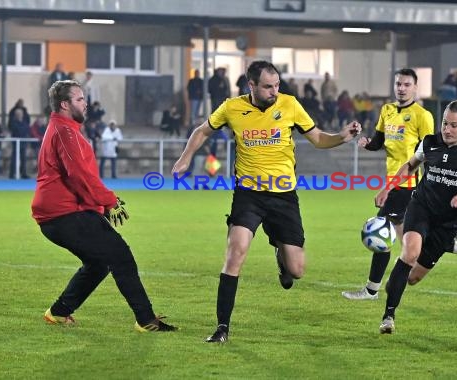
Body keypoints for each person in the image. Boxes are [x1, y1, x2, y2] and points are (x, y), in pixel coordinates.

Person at [171, 60, 361, 343]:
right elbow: (202, 131)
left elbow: (318, 138)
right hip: (248, 195)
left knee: (296, 270)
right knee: (235, 253)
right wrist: (184, 157)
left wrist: (342, 137)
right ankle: (222, 327)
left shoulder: (290, 105)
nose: (274, 91)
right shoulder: (232, 107)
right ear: (252, 86)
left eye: (277, 85)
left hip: (284, 197)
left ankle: (281, 257)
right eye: (268, 86)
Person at [32, 80, 176, 332]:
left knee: (100, 262)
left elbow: (78, 178)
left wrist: (101, 206)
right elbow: (79, 176)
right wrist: (109, 201)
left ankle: (59, 312)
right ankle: (146, 319)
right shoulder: (65, 132)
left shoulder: (63, 128)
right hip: (63, 213)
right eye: (79, 99)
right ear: (65, 104)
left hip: (63, 213)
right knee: (121, 255)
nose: (85, 103)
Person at [377, 100, 457, 334]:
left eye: (453, 125)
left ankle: (396, 283)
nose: (447, 130)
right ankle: (388, 316)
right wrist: (388, 188)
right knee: (409, 252)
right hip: (421, 208)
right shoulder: (429, 142)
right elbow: (409, 167)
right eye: (444, 123)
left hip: (448, 222)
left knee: (412, 278)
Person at [342, 68, 434, 301]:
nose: (401, 88)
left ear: (415, 87)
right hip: (393, 182)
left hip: (407, 184)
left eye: (406, 84)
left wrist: (391, 188)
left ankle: (372, 290)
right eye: (398, 84)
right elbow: (379, 142)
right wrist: (366, 143)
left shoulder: (423, 116)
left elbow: (427, 154)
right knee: (405, 238)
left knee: (381, 233)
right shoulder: (387, 110)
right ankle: (443, 251)